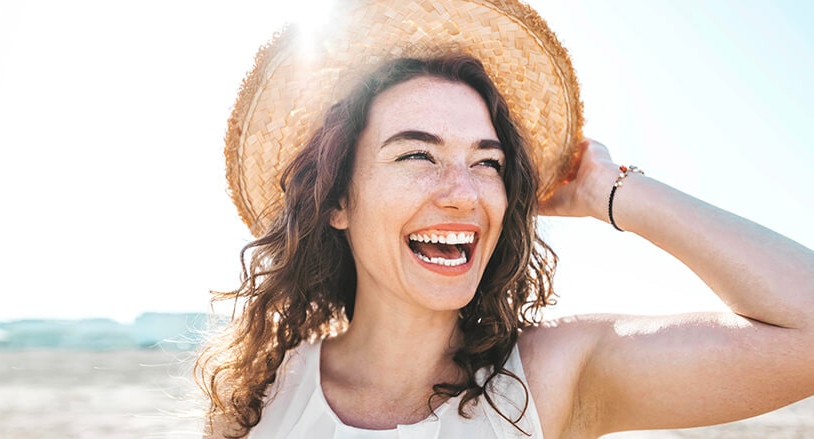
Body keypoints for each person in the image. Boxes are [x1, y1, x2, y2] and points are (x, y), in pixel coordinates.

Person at [195, 1, 814, 438]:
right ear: (337, 201)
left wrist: (607, 189)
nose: (464, 194)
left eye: (487, 163)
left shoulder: (549, 379)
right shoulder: (258, 394)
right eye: (417, 155)